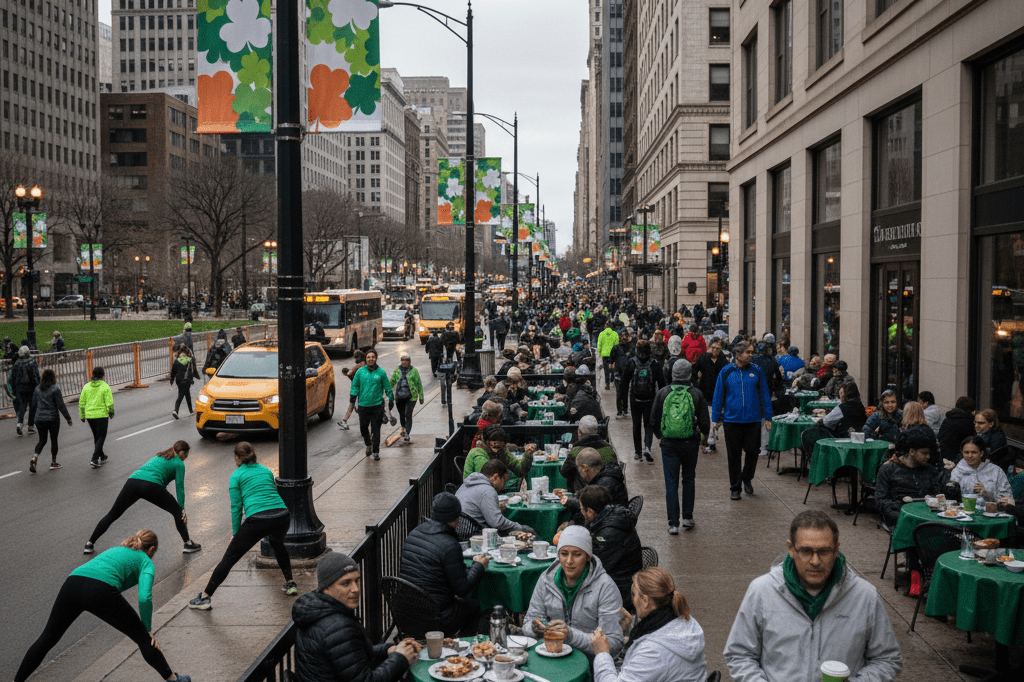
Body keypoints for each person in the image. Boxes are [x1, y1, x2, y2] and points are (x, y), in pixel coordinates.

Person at [723, 510, 903, 682]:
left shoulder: (865, 596)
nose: (815, 561)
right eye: (806, 551)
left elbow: (887, 659)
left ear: (835, 550)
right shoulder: (762, 591)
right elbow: (739, 654)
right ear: (791, 549)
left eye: (824, 551)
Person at [14, 530, 192, 682]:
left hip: (72, 582)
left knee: (48, 637)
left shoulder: (117, 549)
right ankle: (173, 680)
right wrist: (147, 628)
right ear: (152, 549)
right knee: (143, 638)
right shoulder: (146, 561)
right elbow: (145, 597)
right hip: (100, 589)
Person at [189, 442, 296, 609]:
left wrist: (235, 534)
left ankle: (205, 596)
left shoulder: (236, 475)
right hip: (282, 516)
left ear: (236, 458)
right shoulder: (266, 470)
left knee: (229, 557)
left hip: (258, 519)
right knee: (277, 544)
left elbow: (236, 507)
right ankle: (290, 582)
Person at [293, 553, 418, 682]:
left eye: (357, 580)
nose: (356, 589)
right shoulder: (338, 628)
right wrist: (400, 659)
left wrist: (388, 650)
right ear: (327, 587)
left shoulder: (316, 609)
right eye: (346, 583)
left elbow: (348, 656)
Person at [523, 525, 624, 660]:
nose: (569, 561)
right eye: (564, 554)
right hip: (550, 656)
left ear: (588, 556)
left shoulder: (605, 587)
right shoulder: (546, 580)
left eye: (577, 554)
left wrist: (570, 635)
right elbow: (528, 624)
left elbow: (613, 644)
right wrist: (535, 628)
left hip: (590, 663)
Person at [591, 567, 707, 682]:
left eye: (633, 594)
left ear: (645, 601)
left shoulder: (653, 652)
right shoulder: (683, 619)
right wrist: (629, 628)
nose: (633, 601)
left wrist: (602, 653)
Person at [86, 441, 201, 555]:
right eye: (186, 454)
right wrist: (182, 509)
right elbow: (179, 487)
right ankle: (188, 544)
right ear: (182, 453)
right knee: (177, 512)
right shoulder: (179, 464)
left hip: (133, 482)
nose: (186, 457)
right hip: (152, 485)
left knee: (113, 514)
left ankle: (90, 543)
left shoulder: (160, 455)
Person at [398, 493, 488, 635]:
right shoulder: (450, 546)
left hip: (406, 614)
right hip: (437, 618)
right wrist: (479, 565)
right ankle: (465, 647)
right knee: (476, 605)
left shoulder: (414, 533)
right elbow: (463, 588)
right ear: (456, 518)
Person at [651, 360, 710, 533]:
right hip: (690, 443)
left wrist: (661, 436)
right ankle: (688, 517)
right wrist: (702, 437)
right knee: (689, 479)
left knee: (671, 482)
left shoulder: (663, 393)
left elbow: (653, 419)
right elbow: (705, 423)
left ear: (672, 373)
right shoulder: (696, 393)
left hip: (668, 444)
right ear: (690, 374)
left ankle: (673, 523)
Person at [712, 341, 772, 500]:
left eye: (752, 352)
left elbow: (764, 393)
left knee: (753, 452)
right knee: (734, 456)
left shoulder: (756, 371)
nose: (751, 355)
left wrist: (768, 416)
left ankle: (747, 477)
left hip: (753, 420)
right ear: (738, 354)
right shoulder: (726, 371)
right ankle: (735, 487)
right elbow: (718, 395)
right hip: (732, 421)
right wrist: (715, 418)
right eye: (748, 352)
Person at [578, 485, 643, 611]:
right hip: (621, 579)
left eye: (582, 509)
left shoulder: (608, 534)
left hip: (620, 589)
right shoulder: (612, 514)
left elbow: (594, 567)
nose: (581, 512)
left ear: (590, 512)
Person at [875, 430, 951, 529]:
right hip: (901, 518)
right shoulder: (888, 469)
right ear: (911, 451)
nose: (928, 456)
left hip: (928, 518)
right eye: (924, 453)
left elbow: (938, 496)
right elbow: (881, 501)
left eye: (929, 453)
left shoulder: (930, 470)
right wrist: (904, 514)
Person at [456, 459, 535, 535]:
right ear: (495, 477)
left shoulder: (466, 484)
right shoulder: (488, 490)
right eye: (504, 480)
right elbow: (496, 522)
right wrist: (519, 527)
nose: (504, 485)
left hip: (458, 529)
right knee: (527, 531)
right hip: (472, 532)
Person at [619, 339, 667, 463]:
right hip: (650, 399)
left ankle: (637, 452)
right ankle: (648, 447)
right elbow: (662, 384)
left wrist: (622, 402)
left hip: (635, 399)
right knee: (648, 424)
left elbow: (624, 383)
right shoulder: (654, 364)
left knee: (636, 425)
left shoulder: (631, 363)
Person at [559, 449, 629, 524]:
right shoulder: (603, 476)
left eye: (579, 469)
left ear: (585, 468)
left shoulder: (604, 483)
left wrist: (571, 522)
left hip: (611, 523)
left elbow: (592, 511)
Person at [350, 348, 394, 461]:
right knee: (363, 428)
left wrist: (391, 399)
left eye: (373, 357)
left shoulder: (381, 373)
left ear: (376, 359)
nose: (371, 359)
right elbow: (355, 385)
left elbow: (388, 388)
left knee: (376, 430)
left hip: (377, 406)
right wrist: (353, 398)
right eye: (369, 357)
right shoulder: (360, 372)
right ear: (366, 358)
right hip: (363, 406)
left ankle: (376, 451)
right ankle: (368, 443)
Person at [27, 368, 73, 473]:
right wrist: (68, 418)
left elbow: (33, 405)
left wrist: (31, 422)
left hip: (39, 419)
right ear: (53, 378)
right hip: (52, 419)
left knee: (42, 440)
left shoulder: (37, 389)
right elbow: (61, 405)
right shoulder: (55, 389)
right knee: (54, 440)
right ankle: (53, 462)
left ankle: (34, 457)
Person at [463, 424, 535, 487]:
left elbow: (520, 470)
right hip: (477, 489)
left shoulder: (502, 451)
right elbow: (489, 482)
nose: (497, 448)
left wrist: (528, 455)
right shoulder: (479, 454)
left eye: (499, 445)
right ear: (486, 441)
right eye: (494, 444)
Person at [561, 415, 618, 491]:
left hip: (585, 493)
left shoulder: (576, 451)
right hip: (609, 491)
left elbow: (564, 473)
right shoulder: (608, 449)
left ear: (579, 432)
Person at [950, 434, 1012, 503]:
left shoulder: (996, 471)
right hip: (964, 511)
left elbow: (1007, 498)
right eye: (966, 452)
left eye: (974, 452)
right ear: (962, 453)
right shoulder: (957, 471)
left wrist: (987, 494)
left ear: (981, 453)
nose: (970, 456)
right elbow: (952, 498)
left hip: (991, 511)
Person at [693, 338, 727, 453]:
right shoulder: (703, 359)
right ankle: (708, 441)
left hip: (720, 395)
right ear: (709, 347)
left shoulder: (723, 361)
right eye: (713, 348)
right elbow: (693, 372)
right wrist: (697, 380)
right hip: (706, 393)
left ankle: (712, 437)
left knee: (718, 420)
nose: (715, 350)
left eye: (718, 348)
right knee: (707, 420)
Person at [80, 366, 115, 468]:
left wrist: (82, 415)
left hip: (90, 416)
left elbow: (82, 402)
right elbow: (109, 402)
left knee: (96, 436)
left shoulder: (86, 387)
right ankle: (94, 458)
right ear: (102, 375)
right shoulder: (105, 387)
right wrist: (111, 412)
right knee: (101, 436)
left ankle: (102, 456)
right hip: (101, 415)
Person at [389, 352, 424, 445]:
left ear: (410, 361)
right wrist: (387, 392)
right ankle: (403, 427)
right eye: (402, 360)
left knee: (408, 413)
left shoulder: (414, 371)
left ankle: (407, 433)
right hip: (399, 396)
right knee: (401, 414)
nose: (404, 362)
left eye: (406, 360)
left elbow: (418, 384)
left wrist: (421, 396)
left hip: (411, 397)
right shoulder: (397, 370)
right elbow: (392, 381)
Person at [938, 395, 976, 463]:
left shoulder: (947, 420)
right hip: (960, 457)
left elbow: (940, 436)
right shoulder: (968, 422)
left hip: (945, 454)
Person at [11, 345, 40, 436]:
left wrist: (14, 389)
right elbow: (35, 375)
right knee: (33, 406)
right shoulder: (32, 361)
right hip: (31, 387)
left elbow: (12, 378)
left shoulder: (17, 363)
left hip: (20, 388)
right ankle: (31, 426)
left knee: (22, 406)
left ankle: (20, 424)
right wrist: (38, 386)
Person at [337, 350, 367, 431]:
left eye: (356, 358)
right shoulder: (367, 365)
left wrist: (346, 372)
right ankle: (345, 421)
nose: (355, 360)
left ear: (359, 357)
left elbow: (350, 375)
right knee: (354, 406)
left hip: (357, 390)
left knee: (354, 406)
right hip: (365, 390)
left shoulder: (358, 366)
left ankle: (346, 421)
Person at [169, 346, 200, 420]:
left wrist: (172, 381)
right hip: (187, 381)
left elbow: (173, 372)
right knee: (181, 396)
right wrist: (197, 377)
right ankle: (175, 411)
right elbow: (193, 371)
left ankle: (191, 410)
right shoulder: (189, 360)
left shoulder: (177, 361)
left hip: (179, 381)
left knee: (187, 395)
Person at [610, 329, 636, 417]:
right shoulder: (622, 347)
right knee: (622, 391)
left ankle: (622, 410)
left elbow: (611, 358)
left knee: (622, 391)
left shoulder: (629, 347)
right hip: (621, 372)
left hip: (624, 372)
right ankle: (622, 410)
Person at [598, 322, 620, 390]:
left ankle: (607, 384)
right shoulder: (615, 334)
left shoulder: (602, 334)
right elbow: (617, 344)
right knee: (613, 366)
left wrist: (600, 353)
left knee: (606, 369)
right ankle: (612, 376)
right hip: (613, 354)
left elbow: (599, 345)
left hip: (605, 354)